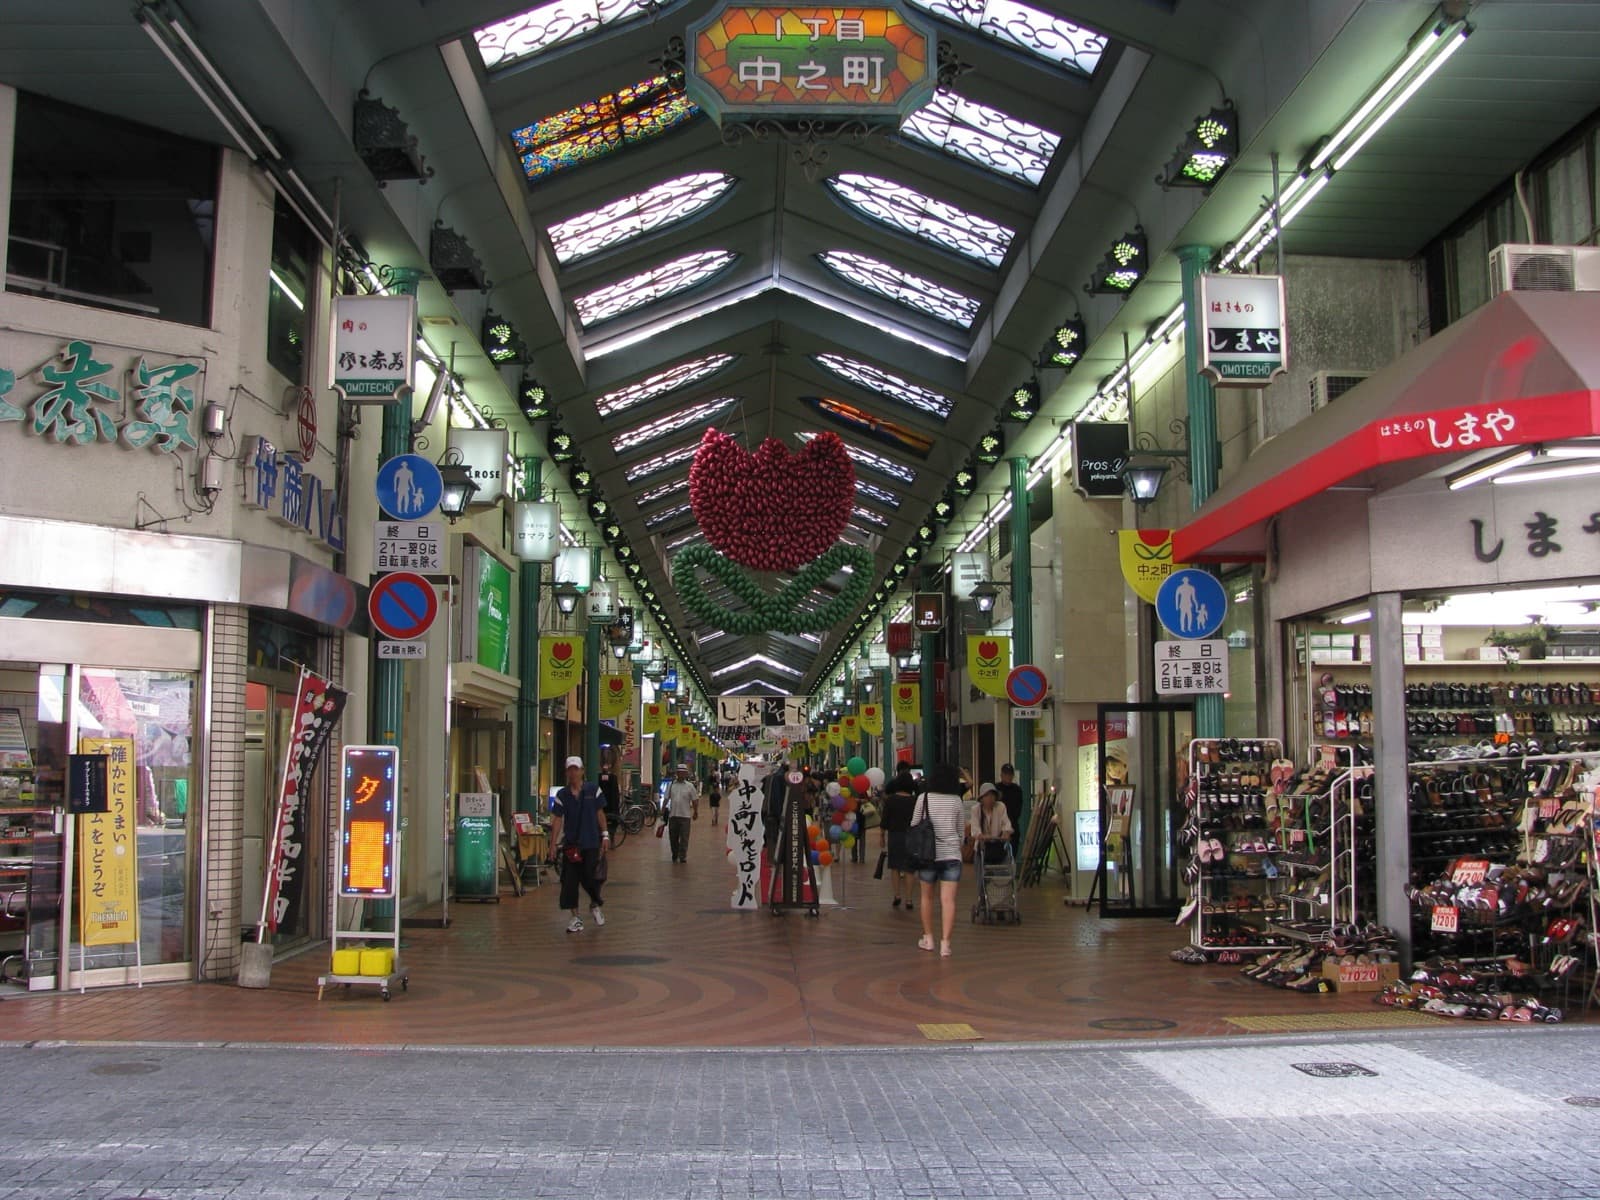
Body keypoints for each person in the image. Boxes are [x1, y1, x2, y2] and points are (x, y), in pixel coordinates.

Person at [913, 762, 969, 958]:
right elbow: (961, 832)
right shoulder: (956, 800)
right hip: (951, 854)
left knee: (926, 897)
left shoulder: (924, 798)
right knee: (948, 900)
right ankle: (946, 943)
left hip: (928, 855)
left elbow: (914, 824)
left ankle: (928, 938)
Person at [550, 755, 608, 933]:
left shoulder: (593, 790)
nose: (573, 773)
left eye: (576, 769)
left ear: (582, 771)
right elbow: (558, 819)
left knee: (591, 878)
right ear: (567, 772)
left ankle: (595, 903)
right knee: (569, 881)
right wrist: (552, 843)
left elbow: (600, 813)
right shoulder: (563, 795)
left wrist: (605, 835)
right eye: (570, 769)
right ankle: (575, 917)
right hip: (571, 845)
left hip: (590, 842)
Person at [879, 767, 918, 910]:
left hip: (895, 836)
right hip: (911, 836)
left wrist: (882, 836)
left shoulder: (891, 800)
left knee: (895, 866)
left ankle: (897, 895)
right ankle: (909, 899)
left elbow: (884, 820)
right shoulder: (915, 801)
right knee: (909, 869)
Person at [970, 782, 1014, 865]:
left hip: (998, 845)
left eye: (992, 795)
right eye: (987, 795)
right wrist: (981, 836)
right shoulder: (976, 809)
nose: (990, 798)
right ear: (982, 798)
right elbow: (975, 829)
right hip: (982, 846)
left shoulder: (1000, 806)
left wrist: (1006, 832)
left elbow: (1006, 823)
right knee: (981, 869)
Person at [665, 763, 699, 863]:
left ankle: (682, 855)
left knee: (684, 837)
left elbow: (695, 800)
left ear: (686, 774)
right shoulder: (671, 785)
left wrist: (696, 811)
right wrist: (663, 809)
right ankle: (675, 853)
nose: (681, 774)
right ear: (677, 773)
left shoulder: (690, 786)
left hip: (685, 816)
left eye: (683, 773)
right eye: (679, 772)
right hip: (673, 815)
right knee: (673, 837)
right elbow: (667, 798)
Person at [996, 763, 1024, 855]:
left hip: (1013, 825)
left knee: (1012, 853)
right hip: (997, 827)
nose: (1008, 777)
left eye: (1010, 774)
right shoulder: (996, 789)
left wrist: (1010, 825)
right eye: (1005, 774)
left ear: (1012, 776)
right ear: (1001, 775)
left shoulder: (1017, 790)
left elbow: (1018, 809)